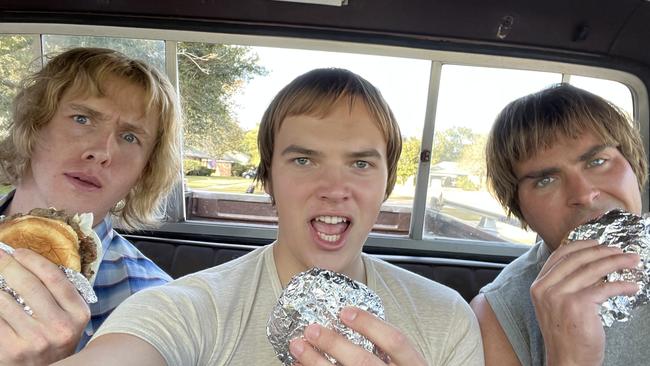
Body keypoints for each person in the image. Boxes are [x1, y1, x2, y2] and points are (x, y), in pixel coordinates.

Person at [55, 68, 484, 365]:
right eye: (303, 160)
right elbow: (132, 349)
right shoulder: (193, 307)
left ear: (387, 186)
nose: (334, 189)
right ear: (268, 181)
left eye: (360, 164)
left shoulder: (446, 318)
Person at [0, 47, 181, 364]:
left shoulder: (157, 305)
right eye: (82, 119)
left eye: (129, 137)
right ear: (34, 123)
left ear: (144, 170)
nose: (102, 152)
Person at [470, 83, 648, 366]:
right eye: (545, 180)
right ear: (521, 209)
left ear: (633, 164)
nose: (583, 194)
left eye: (598, 161)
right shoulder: (498, 314)